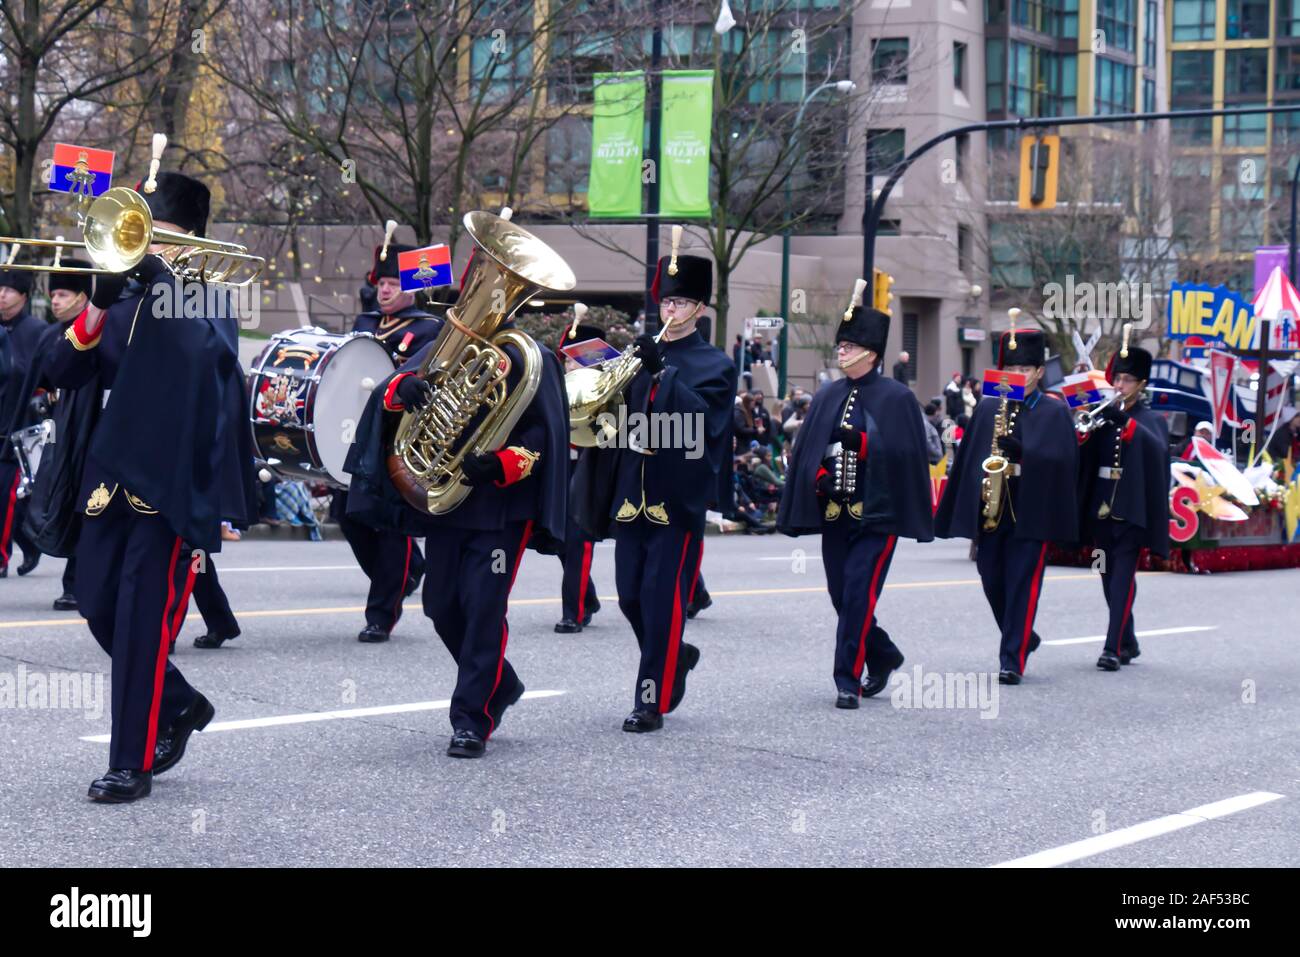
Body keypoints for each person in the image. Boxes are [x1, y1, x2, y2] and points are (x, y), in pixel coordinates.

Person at [43, 171, 259, 801]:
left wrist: (161, 280)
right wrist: (96, 309)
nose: (144, 245)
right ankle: (182, 702)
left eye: (156, 234)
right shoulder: (123, 299)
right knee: (95, 602)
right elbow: (58, 370)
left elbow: (208, 364)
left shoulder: (205, 299)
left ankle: (129, 763)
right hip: (108, 477)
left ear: (186, 239)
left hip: (169, 484)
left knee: (142, 622)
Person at [344, 240, 570, 759]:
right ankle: (500, 682)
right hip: (445, 501)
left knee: (484, 607)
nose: (480, 302)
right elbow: (390, 391)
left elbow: (544, 437)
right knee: (440, 604)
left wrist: (502, 463)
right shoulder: (447, 341)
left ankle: (471, 718)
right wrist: (407, 392)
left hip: (498, 508)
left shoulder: (527, 356)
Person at [576, 248, 736, 733]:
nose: (672, 311)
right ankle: (676, 655)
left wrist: (662, 374)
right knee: (629, 597)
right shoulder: (639, 356)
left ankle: (651, 699)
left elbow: (702, 427)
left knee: (661, 598)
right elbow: (613, 422)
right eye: (667, 302)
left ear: (700, 309)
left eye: (682, 303)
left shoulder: (716, 365)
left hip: (676, 498)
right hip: (630, 493)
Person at [777, 294, 933, 707]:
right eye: (840, 346)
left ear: (870, 353)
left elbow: (907, 456)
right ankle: (883, 654)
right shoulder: (828, 395)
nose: (840, 352)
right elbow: (810, 449)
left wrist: (863, 443)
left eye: (847, 347)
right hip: (836, 513)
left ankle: (847, 678)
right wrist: (820, 478)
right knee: (840, 595)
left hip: (877, 515)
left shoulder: (897, 397)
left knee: (859, 593)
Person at [934, 327, 1078, 685]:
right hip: (993, 508)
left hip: (1032, 509)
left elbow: (1064, 463)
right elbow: (970, 459)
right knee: (990, 577)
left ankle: (1011, 657)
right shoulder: (988, 407)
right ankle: (1024, 636)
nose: (1017, 376)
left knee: (1022, 583)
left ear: (1040, 373)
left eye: (1024, 370)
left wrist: (1026, 454)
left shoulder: (1054, 411)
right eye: (1011, 369)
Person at [329, 240, 441, 643]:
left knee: (390, 527)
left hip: (398, 433)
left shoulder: (429, 328)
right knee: (348, 514)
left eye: (395, 283)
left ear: (412, 289)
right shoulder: (365, 323)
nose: (386, 290)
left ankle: (381, 615)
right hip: (359, 430)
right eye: (382, 283)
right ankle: (407, 573)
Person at [1077, 343, 1170, 671]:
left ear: (1141, 384)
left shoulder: (1151, 418)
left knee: (1122, 577)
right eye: (1117, 378)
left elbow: (1157, 449)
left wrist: (1125, 424)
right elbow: (1083, 450)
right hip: (1101, 506)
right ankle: (1128, 640)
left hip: (1131, 508)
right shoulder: (1103, 414)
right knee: (1104, 571)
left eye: (1128, 380)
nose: (1120, 385)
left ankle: (1112, 647)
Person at [553, 319, 602, 634]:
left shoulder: (604, 385)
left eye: (575, 357)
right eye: (566, 357)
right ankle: (588, 597)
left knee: (577, 539)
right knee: (559, 539)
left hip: (591, 468)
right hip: (563, 468)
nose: (568, 363)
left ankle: (575, 611)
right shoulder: (559, 384)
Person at [0, 267, 46, 578]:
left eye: (8, 290)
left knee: (8, 495)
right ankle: (27, 540)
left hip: (20, 429)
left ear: (24, 296)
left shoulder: (37, 332)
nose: (1, 295)